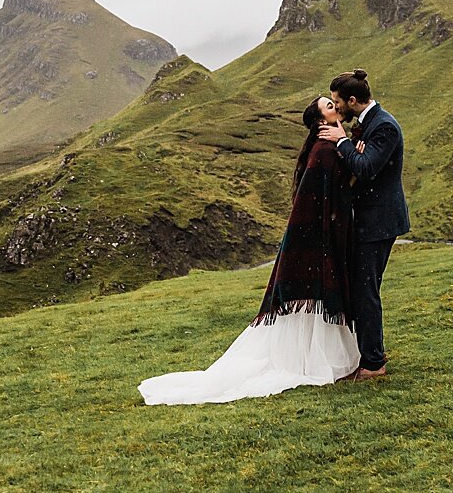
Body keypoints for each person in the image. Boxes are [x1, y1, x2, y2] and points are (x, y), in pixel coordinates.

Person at [138, 95, 360, 404]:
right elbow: (330, 192)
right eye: (330, 106)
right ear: (322, 122)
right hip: (319, 239)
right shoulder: (325, 150)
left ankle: (318, 355)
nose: (337, 107)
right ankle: (314, 360)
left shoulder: (329, 147)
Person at [318, 68, 409, 381]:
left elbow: (367, 168)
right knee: (362, 290)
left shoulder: (384, 127)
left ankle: (373, 364)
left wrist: (342, 142)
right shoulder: (369, 124)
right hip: (368, 220)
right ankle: (369, 355)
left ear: (353, 100)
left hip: (378, 222)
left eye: (337, 102)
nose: (336, 108)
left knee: (365, 291)